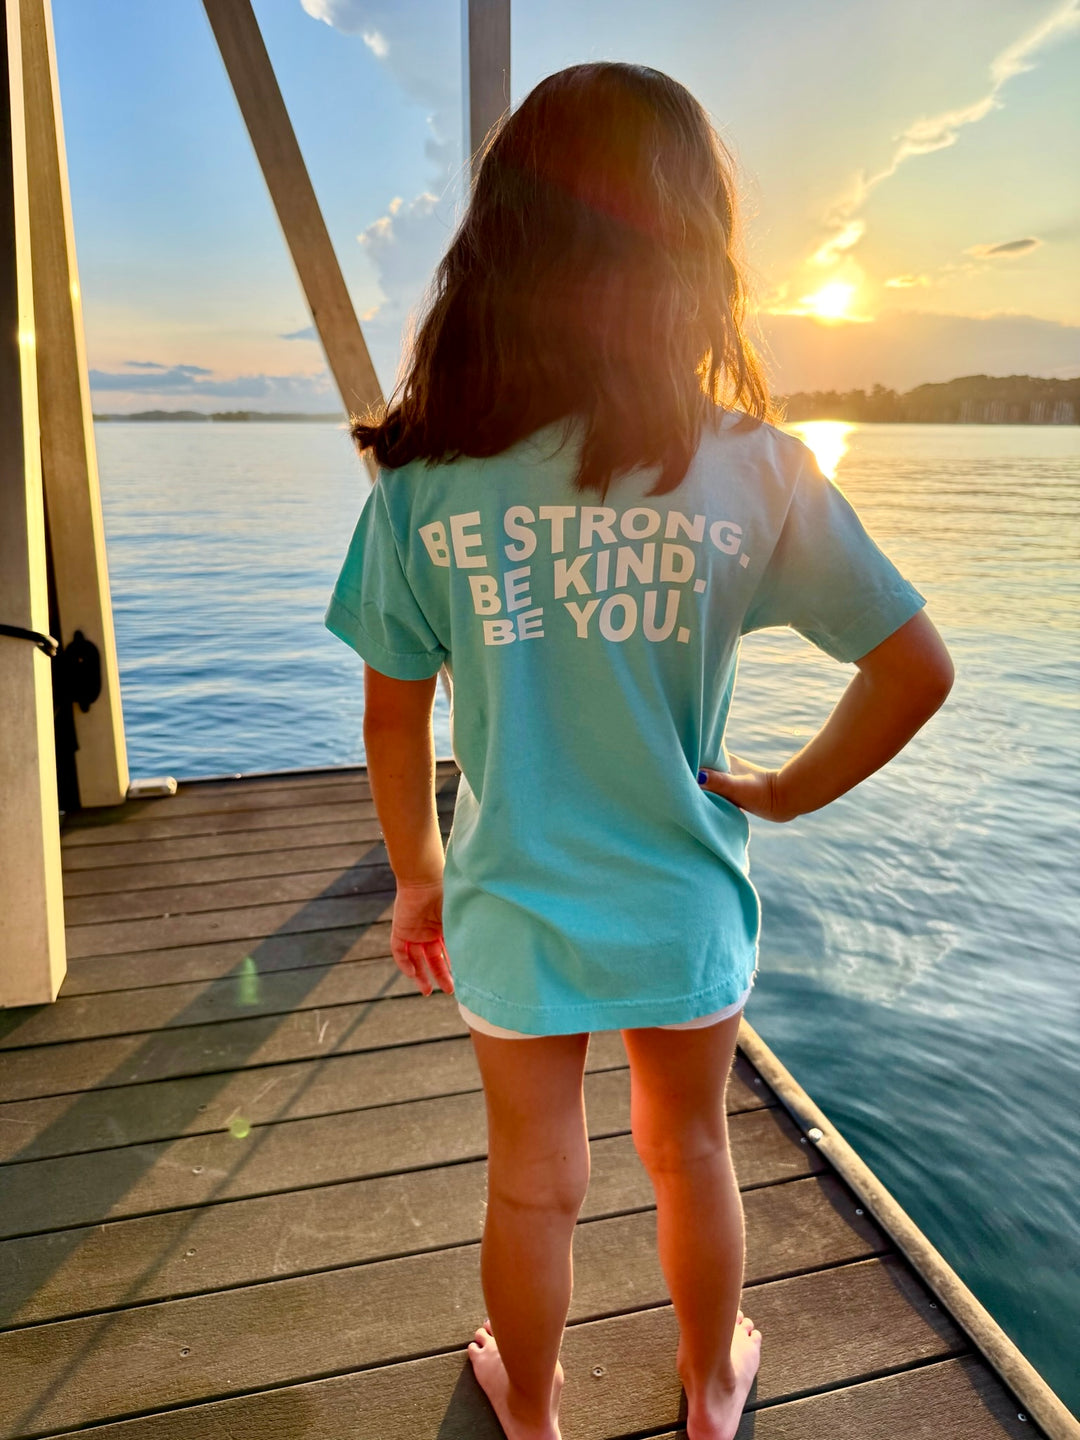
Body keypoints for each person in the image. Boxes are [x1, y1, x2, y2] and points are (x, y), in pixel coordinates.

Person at [325, 62, 954, 1440]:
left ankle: (534, 1411)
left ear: (496, 253)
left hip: (517, 898)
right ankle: (711, 1390)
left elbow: (392, 712)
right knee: (694, 1152)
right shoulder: (757, 468)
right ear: (696, 257)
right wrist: (782, 792)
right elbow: (914, 669)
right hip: (682, 894)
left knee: (531, 1185)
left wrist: (419, 878)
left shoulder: (424, 489)